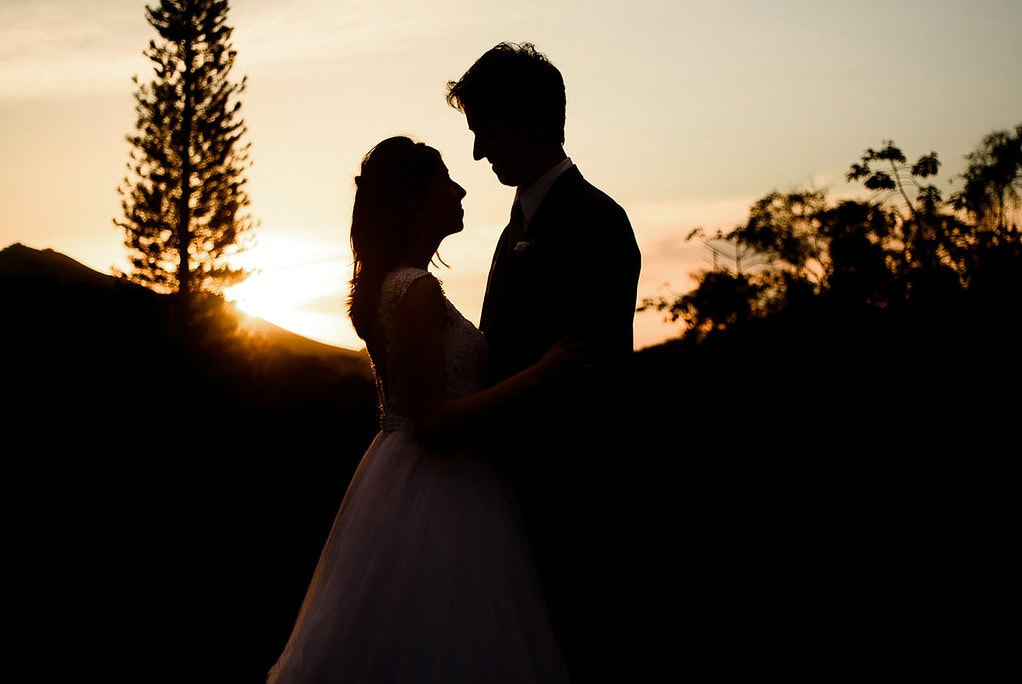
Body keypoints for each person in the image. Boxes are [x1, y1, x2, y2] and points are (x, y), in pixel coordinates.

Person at [266, 136, 579, 683]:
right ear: (416, 202)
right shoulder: (416, 291)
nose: (459, 189)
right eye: (444, 181)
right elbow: (434, 420)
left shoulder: (391, 287)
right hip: (441, 483)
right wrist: (546, 371)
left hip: (399, 473)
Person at [446, 42, 642, 683]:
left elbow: (592, 370)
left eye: (485, 130)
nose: (478, 153)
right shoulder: (512, 228)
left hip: (568, 499)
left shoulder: (597, 221)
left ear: (531, 118)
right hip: (507, 492)